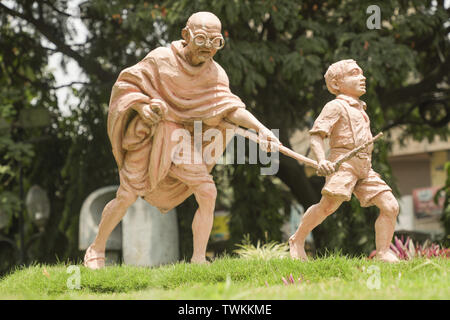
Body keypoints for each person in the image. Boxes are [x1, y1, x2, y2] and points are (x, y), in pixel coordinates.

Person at [84, 11, 280, 269]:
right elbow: (127, 88)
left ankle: (198, 259)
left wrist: (261, 129)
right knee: (126, 195)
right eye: (201, 38)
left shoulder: (216, 74)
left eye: (215, 41)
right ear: (186, 35)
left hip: (179, 140)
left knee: (207, 191)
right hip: (150, 135)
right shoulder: (160, 58)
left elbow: (229, 108)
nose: (208, 47)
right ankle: (96, 248)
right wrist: (143, 108)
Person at [289, 59, 400, 263]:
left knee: (390, 206)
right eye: (354, 73)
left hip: (365, 167)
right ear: (337, 83)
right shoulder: (335, 106)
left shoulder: (361, 108)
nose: (362, 77)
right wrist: (322, 160)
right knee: (327, 207)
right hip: (343, 164)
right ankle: (297, 240)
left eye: (362, 73)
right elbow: (316, 135)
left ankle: (383, 253)